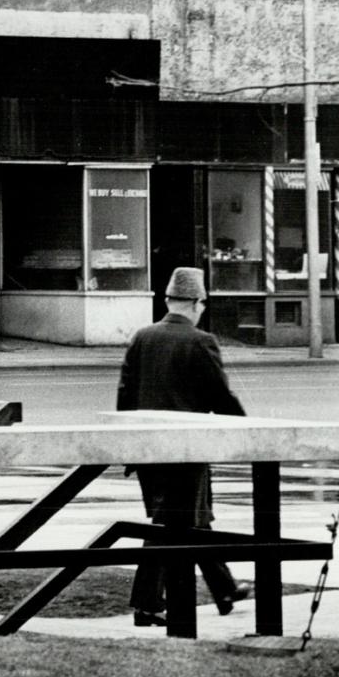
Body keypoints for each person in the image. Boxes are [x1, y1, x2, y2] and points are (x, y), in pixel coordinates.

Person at [116, 266, 250, 628]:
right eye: (202, 304)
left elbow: (125, 396)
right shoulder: (201, 341)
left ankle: (224, 590)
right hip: (187, 452)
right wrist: (247, 430)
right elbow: (220, 397)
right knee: (173, 525)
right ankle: (146, 604)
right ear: (194, 302)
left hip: (148, 451)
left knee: (194, 520)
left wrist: (131, 450)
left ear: (168, 301)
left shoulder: (141, 337)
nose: (202, 310)